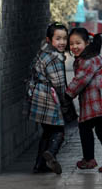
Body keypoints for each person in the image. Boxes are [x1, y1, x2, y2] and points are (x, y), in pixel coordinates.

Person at [65, 28, 102, 173]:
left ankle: (90, 160)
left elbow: (80, 80)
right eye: (71, 44)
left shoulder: (87, 60)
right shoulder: (93, 55)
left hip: (99, 101)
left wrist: (67, 95)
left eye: (78, 43)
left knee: (86, 127)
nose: (74, 47)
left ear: (87, 43)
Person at [26, 22, 76, 174]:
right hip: (49, 97)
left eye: (64, 38)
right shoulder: (54, 58)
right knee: (59, 130)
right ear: (49, 40)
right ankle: (51, 155)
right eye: (58, 39)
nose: (62, 42)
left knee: (47, 132)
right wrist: (65, 104)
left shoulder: (43, 53)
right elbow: (59, 84)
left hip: (37, 96)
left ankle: (39, 165)